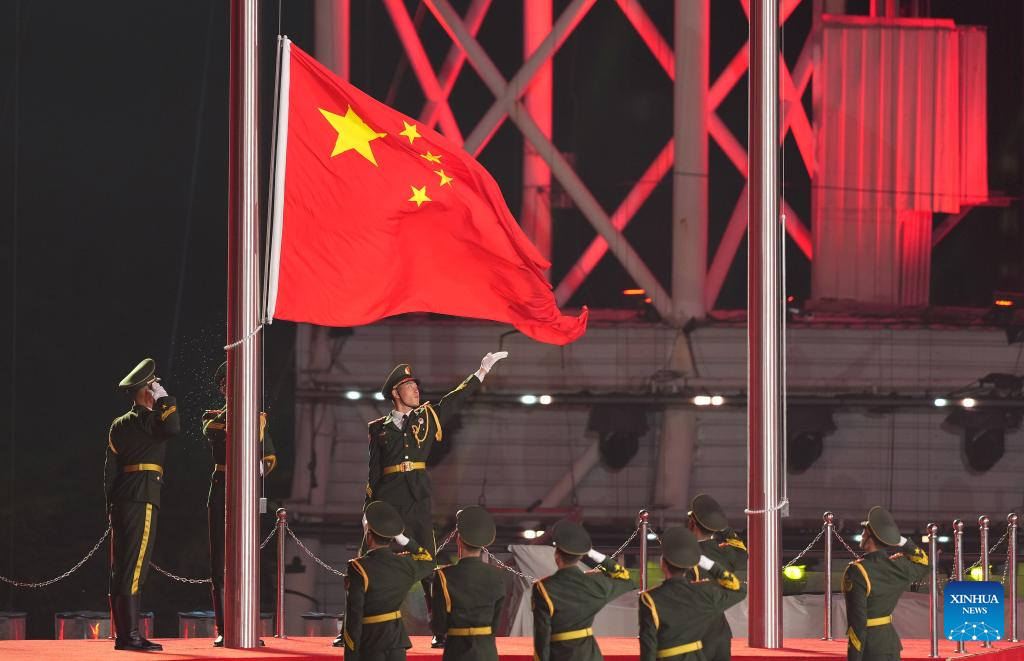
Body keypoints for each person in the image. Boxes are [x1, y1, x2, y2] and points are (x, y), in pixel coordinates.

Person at [362, 352, 507, 646]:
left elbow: (455, 399)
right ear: (395, 392)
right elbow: (374, 472)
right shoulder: (378, 428)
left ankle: (439, 629)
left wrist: (480, 372)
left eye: (416, 385)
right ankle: (351, 629)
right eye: (409, 386)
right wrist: (368, 510)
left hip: (417, 499)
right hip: (387, 500)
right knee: (365, 565)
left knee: (428, 565)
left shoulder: (428, 417)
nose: (416, 389)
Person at [104, 358, 179, 651]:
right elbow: (172, 427)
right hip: (142, 495)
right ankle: (131, 636)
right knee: (134, 568)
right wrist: (165, 400)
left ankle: (125, 634)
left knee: (122, 567)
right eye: (154, 386)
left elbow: (109, 471)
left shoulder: (119, 424)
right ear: (148, 390)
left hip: (121, 499)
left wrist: (110, 506)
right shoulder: (151, 421)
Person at [201, 360, 278, 646]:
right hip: (222, 488)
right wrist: (243, 414)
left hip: (246, 492)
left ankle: (247, 626)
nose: (232, 388)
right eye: (228, 384)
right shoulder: (213, 417)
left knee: (248, 562)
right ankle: (225, 627)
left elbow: (269, 457)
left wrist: (256, 470)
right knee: (220, 563)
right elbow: (215, 432)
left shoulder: (258, 419)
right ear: (223, 389)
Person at [341, 500, 436, 661]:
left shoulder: (358, 568)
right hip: (396, 641)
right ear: (392, 539)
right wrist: (404, 540)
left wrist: (351, 655)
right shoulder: (405, 564)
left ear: (368, 535)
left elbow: (354, 615)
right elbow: (428, 561)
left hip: (370, 643)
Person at [638, 526, 747, 661]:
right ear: (689, 567)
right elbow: (739, 590)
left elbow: (648, 643)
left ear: (662, 564)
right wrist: (712, 566)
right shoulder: (703, 592)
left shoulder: (650, 598)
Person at [531, 520, 635, 661]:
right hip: (590, 655)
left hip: (559, 655)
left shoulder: (543, 588)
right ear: (581, 556)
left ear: (556, 556)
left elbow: (541, 634)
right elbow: (626, 579)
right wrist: (593, 553)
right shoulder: (595, 583)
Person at [843, 506, 930, 661]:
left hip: (869, 649)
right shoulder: (898, 566)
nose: (861, 535)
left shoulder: (857, 571)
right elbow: (924, 563)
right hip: (889, 644)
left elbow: (858, 622)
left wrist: (854, 657)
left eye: (864, 532)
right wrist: (900, 540)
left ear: (870, 538)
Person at [429, 506, 506, 660]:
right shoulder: (496, 574)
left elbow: (439, 626)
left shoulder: (444, 576)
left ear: (459, 539)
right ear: (483, 545)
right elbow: (496, 622)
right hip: (487, 652)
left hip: (456, 652)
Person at [686, 494, 748, 661]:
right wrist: (722, 526)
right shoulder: (727, 553)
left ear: (691, 523)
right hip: (720, 631)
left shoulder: (686, 555)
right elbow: (742, 551)